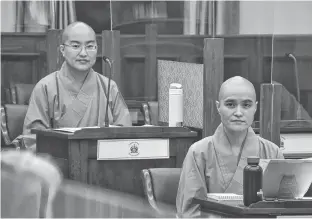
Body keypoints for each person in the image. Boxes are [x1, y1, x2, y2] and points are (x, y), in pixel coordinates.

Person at [176, 76, 284, 218]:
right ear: (218, 106)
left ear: (255, 107)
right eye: (230, 104)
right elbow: (190, 211)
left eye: (246, 105)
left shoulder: (272, 152)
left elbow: (283, 206)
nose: (238, 113)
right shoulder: (199, 152)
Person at [19, 21, 132, 151]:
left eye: (90, 46)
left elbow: (125, 134)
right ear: (62, 50)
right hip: (60, 165)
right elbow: (33, 140)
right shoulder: (45, 87)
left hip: (102, 165)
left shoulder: (108, 86)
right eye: (75, 46)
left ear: (97, 49)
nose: (83, 53)